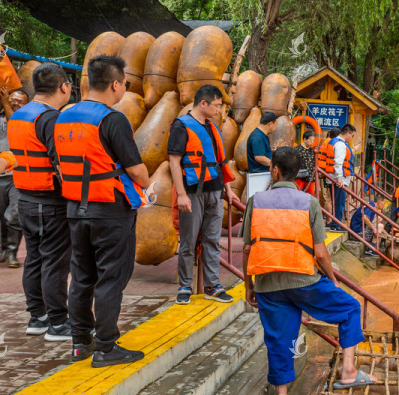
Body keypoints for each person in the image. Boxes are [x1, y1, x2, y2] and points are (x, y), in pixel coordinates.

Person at [242, 147, 377, 395]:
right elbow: (320, 253)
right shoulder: (309, 202)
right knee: (350, 308)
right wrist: (333, 278)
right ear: (298, 173)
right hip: (304, 282)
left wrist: (248, 287)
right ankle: (349, 371)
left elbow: (246, 249)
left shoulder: (256, 200)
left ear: (275, 170)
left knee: (279, 342)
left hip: (267, 284)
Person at [55, 55, 153, 367]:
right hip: (109, 209)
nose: (125, 87)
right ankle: (106, 347)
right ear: (115, 84)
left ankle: (80, 341)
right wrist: (149, 185)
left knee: (82, 275)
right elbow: (137, 170)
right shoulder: (112, 119)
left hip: (75, 208)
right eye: (125, 83)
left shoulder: (64, 116)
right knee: (112, 277)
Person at [9, 63, 72, 340]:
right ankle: (58, 323)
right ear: (64, 87)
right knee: (55, 262)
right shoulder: (51, 118)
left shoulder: (19, 115)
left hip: (25, 198)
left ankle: (38, 317)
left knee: (34, 259)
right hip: (50, 200)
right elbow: (61, 163)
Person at [168, 85, 240, 305]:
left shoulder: (212, 127)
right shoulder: (181, 126)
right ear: (203, 103)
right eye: (217, 105)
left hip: (215, 191)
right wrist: (181, 194)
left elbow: (220, 161)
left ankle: (213, 285)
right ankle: (185, 285)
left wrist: (228, 190)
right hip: (192, 191)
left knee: (212, 240)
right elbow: (174, 161)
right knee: (189, 241)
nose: (219, 110)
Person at [0, 86, 27, 267]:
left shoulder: (23, 121)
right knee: (1, 215)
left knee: (14, 214)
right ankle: (3, 250)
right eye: (13, 99)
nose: (15, 102)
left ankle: (11, 252)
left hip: (16, 176)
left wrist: (5, 103)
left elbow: (14, 122)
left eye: (20, 101)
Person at [320, 123, 356, 231]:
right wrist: (340, 178)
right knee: (339, 202)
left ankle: (335, 224)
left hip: (334, 177)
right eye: (352, 135)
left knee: (337, 202)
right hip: (338, 179)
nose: (352, 138)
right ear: (348, 133)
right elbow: (338, 162)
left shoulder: (334, 141)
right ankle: (336, 225)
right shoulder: (340, 144)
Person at [317, 127, 339, 218]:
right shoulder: (331, 144)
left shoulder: (326, 141)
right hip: (325, 170)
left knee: (327, 196)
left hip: (322, 169)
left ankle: (328, 216)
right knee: (328, 196)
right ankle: (328, 217)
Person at [294, 129, 317, 194]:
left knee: (310, 195)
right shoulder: (297, 149)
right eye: (310, 140)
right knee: (296, 193)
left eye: (313, 140)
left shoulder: (313, 150)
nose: (312, 142)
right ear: (304, 139)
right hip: (299, 176)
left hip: (310, 177)